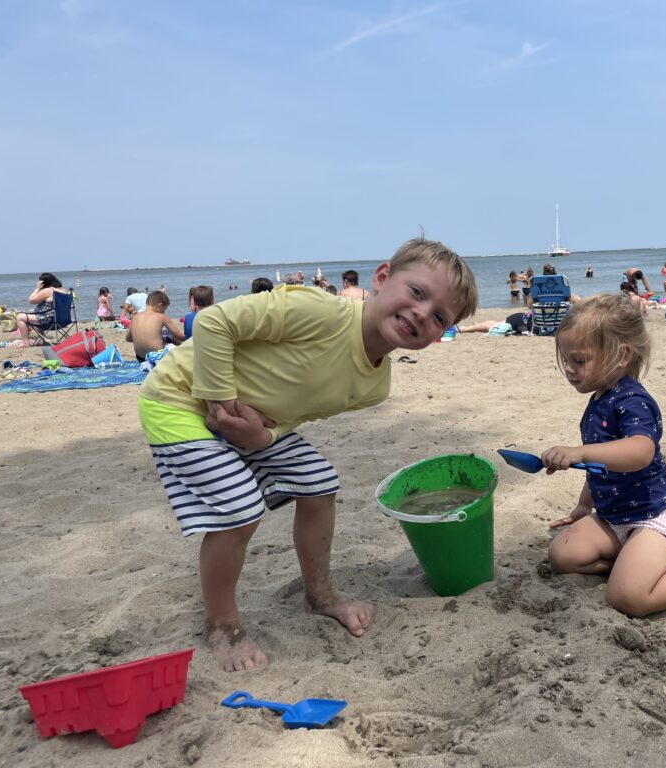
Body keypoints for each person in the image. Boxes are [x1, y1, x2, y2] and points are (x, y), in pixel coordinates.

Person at [136, 237, 478, 672]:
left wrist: (263, 437)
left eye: (439, 317)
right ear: (382, 277)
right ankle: (221, 624)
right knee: (241, 507)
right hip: (178, 399)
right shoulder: (320, 312)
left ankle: (320, 595)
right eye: (416, 292)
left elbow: (296, 411)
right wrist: (220, 402)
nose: (421, 313)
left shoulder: (376, 386)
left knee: (319, 484)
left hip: (249, 422)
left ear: (439, 336)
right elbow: (214, 323)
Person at [542, 294, 666, 617]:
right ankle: (632, 563)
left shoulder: (633, 400)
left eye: (579, 360)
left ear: (621, 355)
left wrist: (577, 453)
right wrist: (583, 506)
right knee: (562, 557)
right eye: (565, 360)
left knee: (627, 599)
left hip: (652, 519)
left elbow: (640, 452)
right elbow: (600, 466)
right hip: (612, 517)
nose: (569, 369)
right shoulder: (598, 400)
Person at [126, 291, 186, 362]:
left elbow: (128, 338)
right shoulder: (162, 317)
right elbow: (181, 337)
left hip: (141, 358)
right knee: (168, 334)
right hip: (158, 356)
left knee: (164, 334)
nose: (164, 312)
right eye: (164, 309)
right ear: (159, 305)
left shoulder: (135, 317)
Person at [14, 272, 71, 346]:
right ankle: (41, 340)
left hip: (49, 321)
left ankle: (25, 342)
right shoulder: (64, 290)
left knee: (20, 317)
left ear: (43, 283)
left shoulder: (48, 291)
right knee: (39, 314)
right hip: (63, 321)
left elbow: (31, 300)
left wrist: (37, 288)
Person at [458, 310, 532, 335]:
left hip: (522, 316)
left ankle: (476, 325)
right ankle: (464, 329)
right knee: (492, 327)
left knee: (496, 323)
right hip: (519, 321)